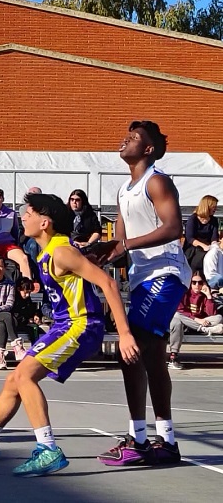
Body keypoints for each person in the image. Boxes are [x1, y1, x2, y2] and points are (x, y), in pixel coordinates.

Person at [0, 192, 136, 477]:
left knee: (24, 377)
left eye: (29, 213)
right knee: (14, 380)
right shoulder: (49, 251)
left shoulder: (61, 251)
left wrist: (124, 334)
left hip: (81, 325)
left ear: (45, 222)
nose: (23, 216)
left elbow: (109, 285)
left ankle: (48, 449)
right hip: (64, 324)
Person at [96, 120, 190, 466]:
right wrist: (102, 252)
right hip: (142, 279)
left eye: (134, 137)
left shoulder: (157, 181)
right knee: (150, 357)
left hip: (165, 273)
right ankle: (166, 441)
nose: (125, 139)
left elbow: (173, 227)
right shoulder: (124, 190)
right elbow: (121, 244)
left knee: (129, 349)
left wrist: (124, 244)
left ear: (148, 149)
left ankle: (137, 439)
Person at [168, 273, 222, 370]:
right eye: (194, 282)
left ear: (204, 283)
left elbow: (211, 314)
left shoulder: (204, 295)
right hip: (186, 324)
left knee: (219, 318)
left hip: (201, 323)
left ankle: (205, 328)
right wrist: (197, 320)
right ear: (190, 283)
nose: (197, 285)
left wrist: (209, 296)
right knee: (176, 317)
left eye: (200, 282)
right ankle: (173, 357)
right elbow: (180, 310)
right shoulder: (184, 293)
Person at [0, 188, 31, 281]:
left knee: (24, 258)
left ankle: (26, 284)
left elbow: (15, 231)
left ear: (3, 199)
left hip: (8, 245)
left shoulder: (11, 213)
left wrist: (16, 243)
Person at [184, 195, 219, 273]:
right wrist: (204, 246)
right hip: (193, 248)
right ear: (207, 206)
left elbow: (214, 238)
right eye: (214, 206)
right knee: (200, 258)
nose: (216, 208)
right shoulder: (193, 219)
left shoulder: (214, 220)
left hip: (208, 247)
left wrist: (215, 246)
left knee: (218, 253)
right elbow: (190, 238)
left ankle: (215, 276)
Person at [11, 277, 42, 347]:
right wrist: (27, 319)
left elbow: (32, 310)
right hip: (15, 324)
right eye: (26, 292)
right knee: (34, 329)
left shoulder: (27, 299)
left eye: (29, 292)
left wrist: (35, 315)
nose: (27, 295)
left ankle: (36, 349)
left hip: (24, 323)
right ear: (19, 289)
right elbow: (14, 314)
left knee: (36, 329)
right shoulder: (13, 299)